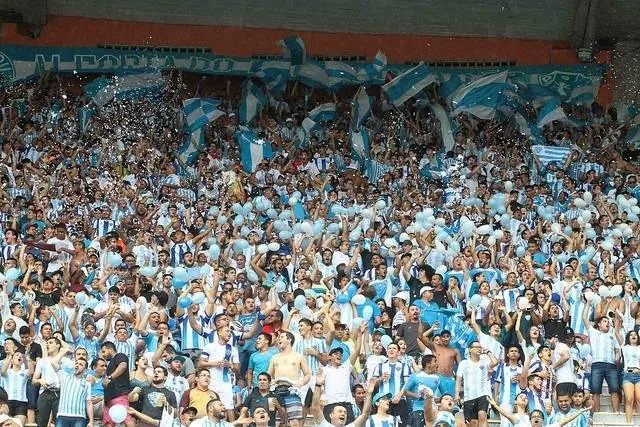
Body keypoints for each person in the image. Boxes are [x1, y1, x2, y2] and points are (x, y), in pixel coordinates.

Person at [582, 300, 620, 412]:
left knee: (614, 389)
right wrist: (588, 302)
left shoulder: (612, 335)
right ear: (599, 324)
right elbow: (584, 318)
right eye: (604, 321)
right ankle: (597, 413)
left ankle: (615, 413)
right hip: (597, 364)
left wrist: (617, 357)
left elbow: (617, 350)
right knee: (596, 390)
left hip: (611, 365)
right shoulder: (593, 332)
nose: (607, 323)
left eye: (608, 322)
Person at [267, 331, 310, 427]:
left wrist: (301, 383)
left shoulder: (299, 356)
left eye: (281, 337)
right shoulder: (274, 357)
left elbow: (307, 375)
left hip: (292, 390)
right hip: (276, 390)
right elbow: (268, 375)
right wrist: (272, 381)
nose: (278, 339)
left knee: (294, 422)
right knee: (275, 421)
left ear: (289, 340)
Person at [455, 340, 498, 427]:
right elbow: (459, 379)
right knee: (473, 423)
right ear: (470, 350)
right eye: (476, 347)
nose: (479, 349)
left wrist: (488, 352)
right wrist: (457, 394)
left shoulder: (484, 362)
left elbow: (495, 362)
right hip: (469, 397)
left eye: (480, 347)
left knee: (482, 415)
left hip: (483, 394)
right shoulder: (463, 363)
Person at [54, 349, 95, 427]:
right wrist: (63, 351)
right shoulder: (64, 377)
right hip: (62, 415)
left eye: (81, 364)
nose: (77, 365)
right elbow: (53, 363)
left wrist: (91, 421)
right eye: (76, 363)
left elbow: (89, 403)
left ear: (85, 370)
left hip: (79, 417)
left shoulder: (87, 384)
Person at [100, 341, 134, 427]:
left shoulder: (120, 356)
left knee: (126, 419)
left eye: (104, 351)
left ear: (111, 349)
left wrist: (110, 377)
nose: (103, 355)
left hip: (119, 395)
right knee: (108, 424)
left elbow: (123, 366)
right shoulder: (110, 363)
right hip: (109, 399)